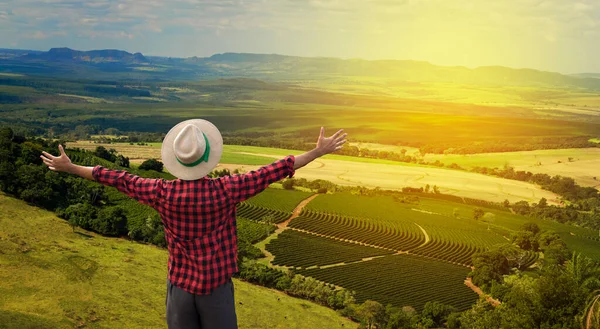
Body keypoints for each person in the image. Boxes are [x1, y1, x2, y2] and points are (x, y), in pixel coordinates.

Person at [40, 119, 347, 329]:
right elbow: (274, 170)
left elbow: (115, 178)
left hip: (179, 289)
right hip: (215, 288)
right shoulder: (226, 190)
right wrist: (318, 151)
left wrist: (69, 167)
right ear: (207, 157)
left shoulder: (161, 192)